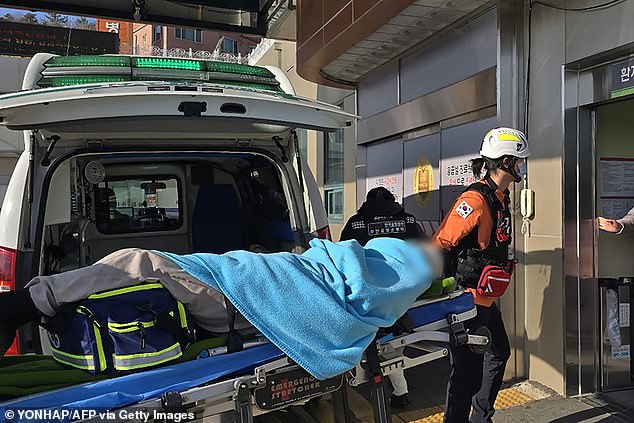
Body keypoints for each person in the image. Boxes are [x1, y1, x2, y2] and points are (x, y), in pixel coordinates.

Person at [0, 238, 443, 380]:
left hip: (239, 294)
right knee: (140, 267)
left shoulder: (389, 280)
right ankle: (34, 302)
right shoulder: (384, 279)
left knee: (138, 262)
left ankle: (28, 301)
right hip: (268, 274)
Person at [432, 127, 530, 423]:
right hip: (468, 301)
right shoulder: (475, 201)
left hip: (486, 300)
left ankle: (481, 416)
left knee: (499, 352)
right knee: (466, 374)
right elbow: (442, 242)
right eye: (519, 160)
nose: (522, 166)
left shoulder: (501, 197)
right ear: (505, 162)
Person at [340, 186, 425, 408]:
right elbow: (424, 250)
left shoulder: (356, 223)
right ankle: (398, 389)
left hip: (371, 294)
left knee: (376, 340)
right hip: (408, 290)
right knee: (392, 345)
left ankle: (377, 382)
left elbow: (345, 256)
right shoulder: (407, 220)